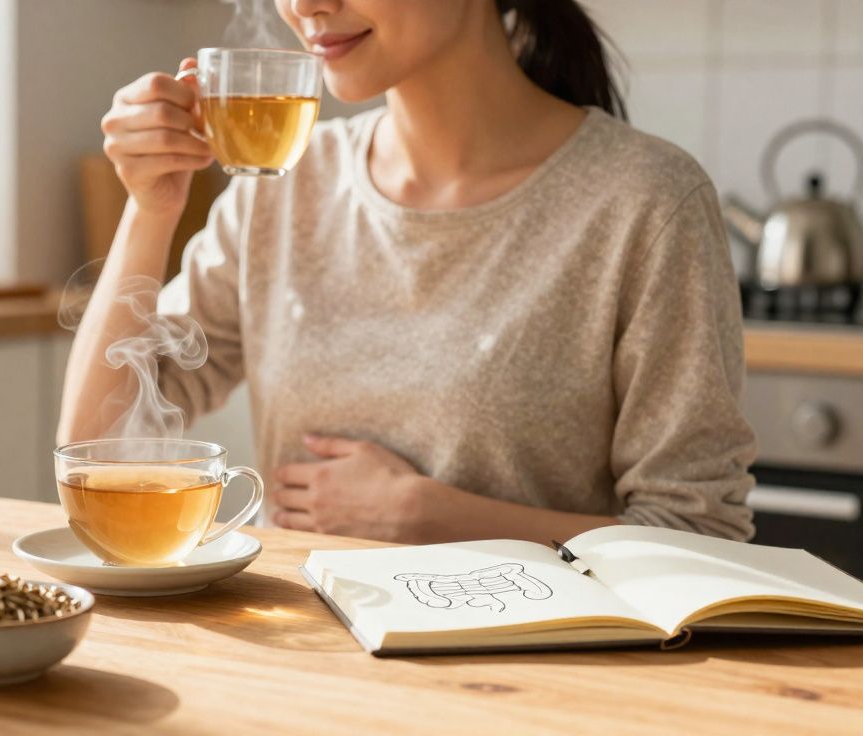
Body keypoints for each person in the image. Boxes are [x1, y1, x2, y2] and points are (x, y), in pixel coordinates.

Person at [57, 0, 757, 545]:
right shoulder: (282, 187)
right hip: (307, 670)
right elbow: (95, 457)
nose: (306, 4)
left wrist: (438, 518)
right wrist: (150, 210)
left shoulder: (646, 202)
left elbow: (701, 540)